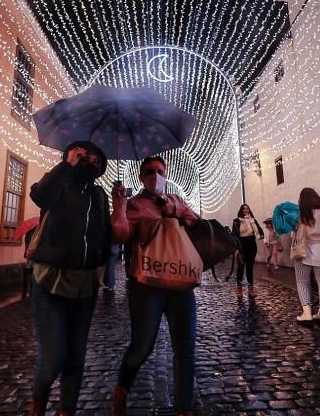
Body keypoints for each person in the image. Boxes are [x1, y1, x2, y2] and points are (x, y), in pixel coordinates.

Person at [110, 156, 200, 416]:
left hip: (180, 282)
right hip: (145, 285)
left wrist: (175, 211)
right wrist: (119, 205)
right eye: (149, 172)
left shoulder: (176, 200)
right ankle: (122, 388)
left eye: (160, 171)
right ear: (140, 177)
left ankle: (184, 408)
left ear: (166, 172)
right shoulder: (135, 204)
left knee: (185, 347)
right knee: (141, 347)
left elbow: (197, 226)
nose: (155, 175)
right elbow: (119, 235)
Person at [27, 141, 112, 416]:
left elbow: (104, 235)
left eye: (95, 158)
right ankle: (37, 403)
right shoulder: (58, 183)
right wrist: (66, 166)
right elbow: (39, 196)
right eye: (82, 155)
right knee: (53, 359)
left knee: (76, 358)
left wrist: (120, 207)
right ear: (70, 157)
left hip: (84, 285)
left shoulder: (99, 195)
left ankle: (67, 411)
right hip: (49, 281)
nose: (90, 160)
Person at [293, 188, 320, 325]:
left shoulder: (301, 213)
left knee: (302, 282)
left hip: (304, 251)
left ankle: (307, 313)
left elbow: (297, 233)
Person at [231, 204, 264, 298]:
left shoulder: (252, 220)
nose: (246, 210)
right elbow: (234, 236)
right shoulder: (236, 221)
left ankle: (250, 289)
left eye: (247, 208)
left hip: (251, 245)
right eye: (244, 208)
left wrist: (261, 235)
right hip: (241, 245)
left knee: (249, 268)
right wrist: (236, 248)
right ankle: (239, 289)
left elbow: (260, 231)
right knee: (240, 268)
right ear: (241, 210)